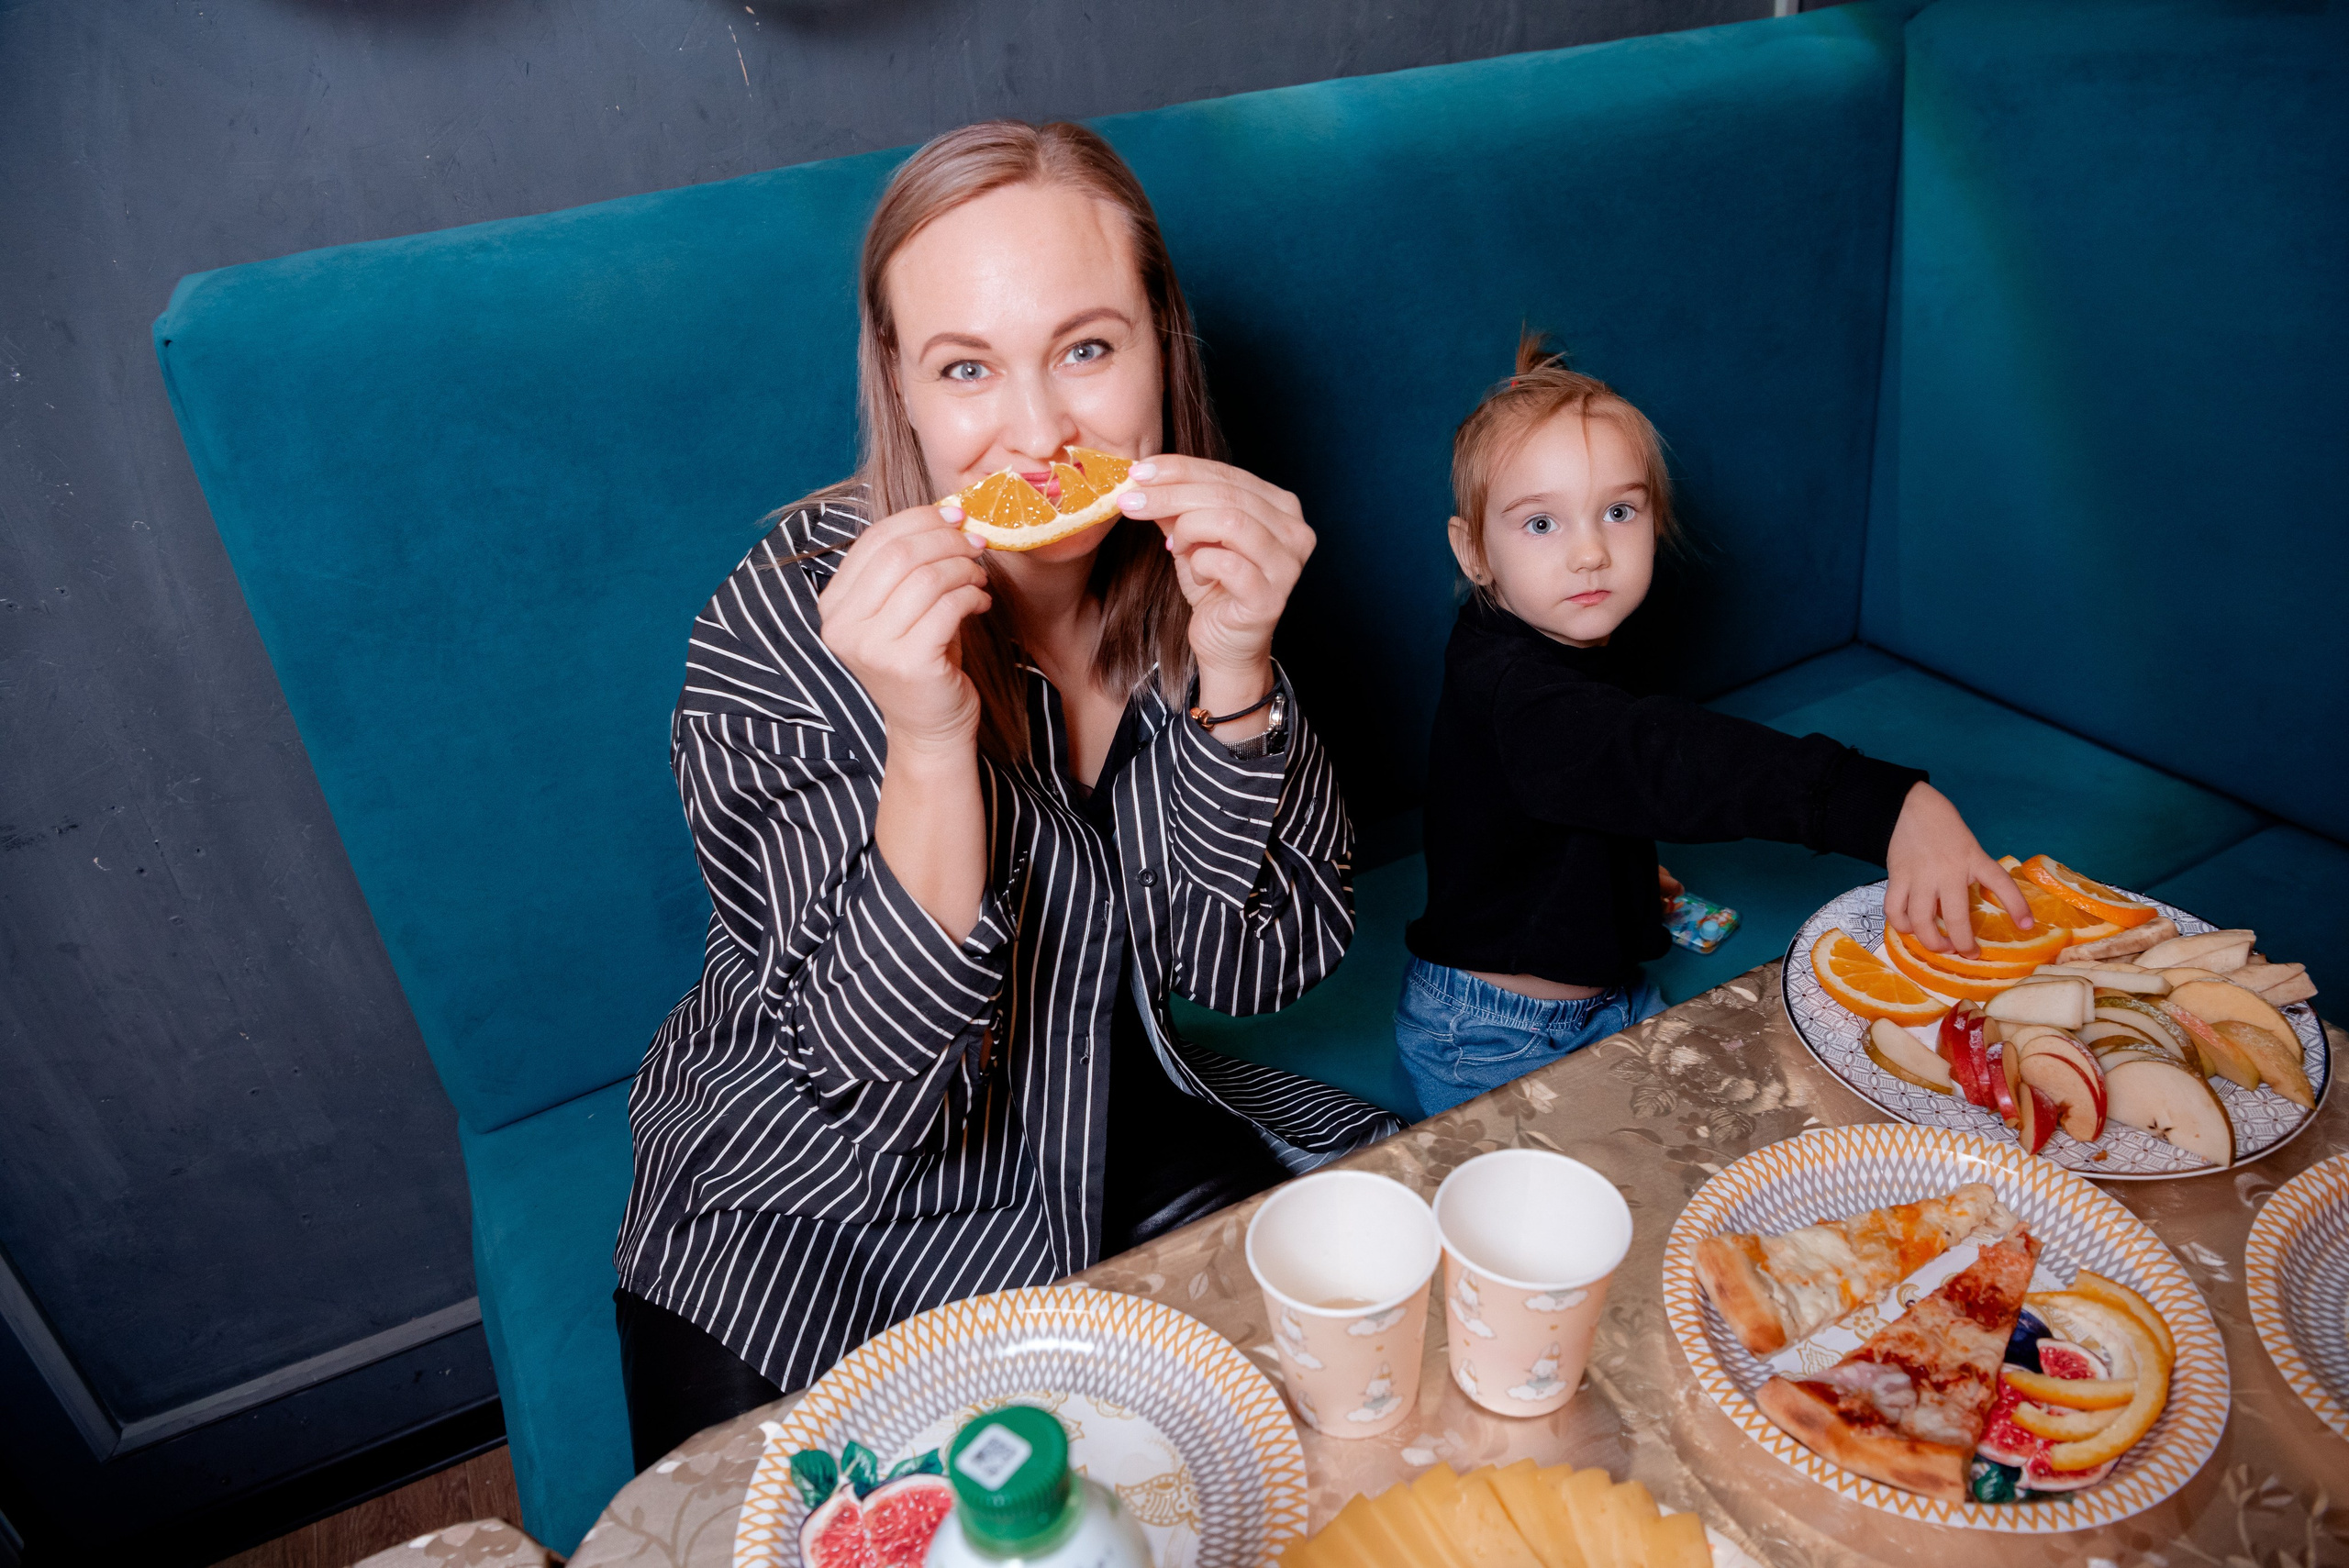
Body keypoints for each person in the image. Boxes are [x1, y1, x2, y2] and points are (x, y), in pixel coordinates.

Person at [609, 120, 1401, 1469]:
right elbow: (879, 1086)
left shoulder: (1187, 583)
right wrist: (927, 742)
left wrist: (1236, 667)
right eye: (967, 368)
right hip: (798, 1201)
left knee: (1335, 1436)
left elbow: (1254, 965)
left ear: (1163, 350)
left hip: (1099, 1120)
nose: (1038, 432)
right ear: (901, 389)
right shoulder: (776, 628)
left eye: (1088, 349)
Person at [1396, 335, 2031, 1117]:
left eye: (1618, 511)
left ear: (1655, 520)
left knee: (1758, 1123)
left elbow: (1582, 788)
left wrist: (1616, 877)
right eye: (1541, 525)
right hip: (1495, 1032)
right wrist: (1884, 803)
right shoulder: (1516, 689)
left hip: (1609, 996)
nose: (1591, 551)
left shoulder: (1562, 636)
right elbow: (1663, 759)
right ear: (1474, 552)